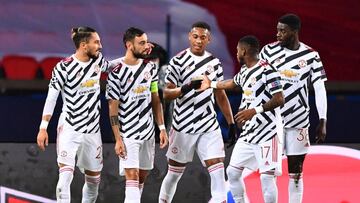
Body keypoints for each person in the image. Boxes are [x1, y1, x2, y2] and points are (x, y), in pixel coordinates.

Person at [158, 21, 237, 203]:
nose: (199, 41)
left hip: (208, 125)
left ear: (208, 39)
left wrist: (231, 123)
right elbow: (167, 94)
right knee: (174, 173)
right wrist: (185, 88)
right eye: (195, 37)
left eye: (203, 37)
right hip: (182, 125)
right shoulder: (178, 62)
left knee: (217, 169)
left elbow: (221, 95)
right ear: (189, 37)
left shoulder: (214, 63)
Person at [201, 35, 285, 203]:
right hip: (249, 134)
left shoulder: (268, 70)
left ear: (244, 51)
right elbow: (233, 83)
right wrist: (211, 84)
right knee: (232, 172)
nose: (236, 53)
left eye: (238, 50)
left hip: (269, 134)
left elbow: (280, 98)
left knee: (267, 178)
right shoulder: (245, 71)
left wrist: (254, 111)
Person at [36, 26, 112, 203]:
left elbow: (113, 67)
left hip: (93, 130)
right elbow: (51, 98)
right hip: (70, 128)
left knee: (93, 182)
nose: (100, 46)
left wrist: (133, 55)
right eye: (97, 42)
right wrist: (43, 128)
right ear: (84, 45)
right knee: (64, 181)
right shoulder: (63, 68)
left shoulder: (97, 61)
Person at [259, 14, 327, 203]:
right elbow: (256, 80)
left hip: (298, 121)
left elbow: (320, 89)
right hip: (271, 122)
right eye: (277, 29)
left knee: (296, 172)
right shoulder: (268, 51)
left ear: (294, 32)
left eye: (283, 30)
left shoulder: (311, 56)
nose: (278, 34)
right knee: (268, 171)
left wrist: (323, 119)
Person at [106, 27, 168, 203]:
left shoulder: (150, 68)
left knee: (141, 177)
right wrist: (118, 138)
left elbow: (156, 99)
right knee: (131, 176)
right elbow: (113, 108)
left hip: (148, 132)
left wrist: (161, 128)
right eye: (141, 43)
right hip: (128, 133)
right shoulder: (116, 72)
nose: (145, 46)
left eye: (146, 42)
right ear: (129, 45)